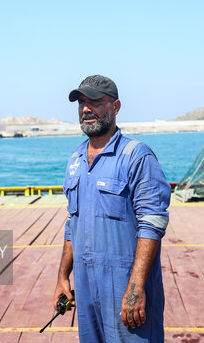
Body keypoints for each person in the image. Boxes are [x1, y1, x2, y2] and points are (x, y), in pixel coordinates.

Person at [53, 75, 171, 342]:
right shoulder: (75, 159)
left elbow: (152, 224)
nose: (86, 108)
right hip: (85, 289)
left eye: (94, 101)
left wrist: (136, 286)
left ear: (115, 107)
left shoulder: (137, 156)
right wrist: (63, 277)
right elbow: (73, 223)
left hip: (125, 288)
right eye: (82, 102)